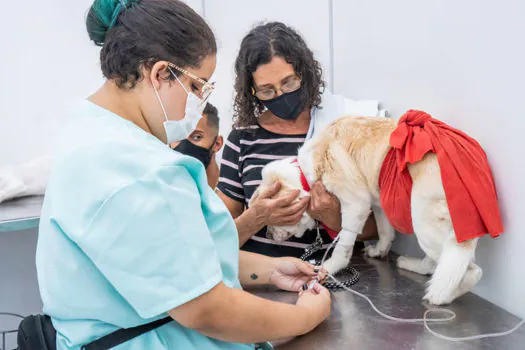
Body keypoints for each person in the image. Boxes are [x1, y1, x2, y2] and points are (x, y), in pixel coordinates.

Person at [35, 2, 330, 349]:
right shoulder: (141, 172)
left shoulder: (90, 130)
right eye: (197, 87)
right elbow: (206, 309)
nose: (200, 105)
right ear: (160, 74)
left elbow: (175, 259)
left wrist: (269, 271)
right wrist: (306, 316)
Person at [217, 22, 379, 258]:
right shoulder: (242, 138)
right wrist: (257, 217)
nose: (280, 95)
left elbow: (376, 231)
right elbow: (218, 238)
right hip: (262, 281)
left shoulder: (337, 128)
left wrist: (334, 216)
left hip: (330, 277)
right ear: (250, 91)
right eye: (266, 91)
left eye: (288, 82)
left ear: (304, 72)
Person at [171, 103, 223, 188]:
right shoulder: (164, 190)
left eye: (196, 137)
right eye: (178, 135)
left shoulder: (231, 195)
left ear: (217, 144)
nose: (184, 145)